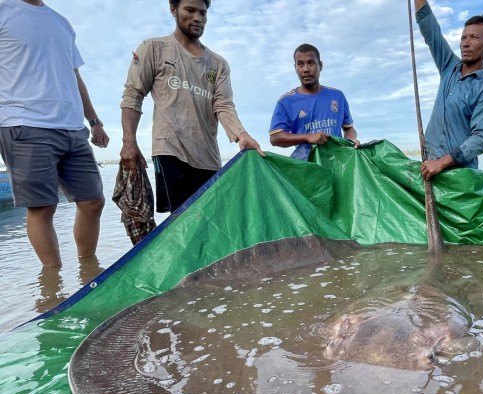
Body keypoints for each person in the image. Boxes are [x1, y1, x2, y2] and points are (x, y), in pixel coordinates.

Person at [120, 0, 264, 215]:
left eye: (202, 13)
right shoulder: (154, 48)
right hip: (170, 150)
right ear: (173, 9)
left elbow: (223, 104)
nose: (197, 17)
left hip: (208, 156)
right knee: (183, 221)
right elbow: (133, 94)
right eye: (190, 10)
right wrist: (129, 142)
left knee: (214, 220)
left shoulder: (218, 64)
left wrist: (241, 134)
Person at [0, 0, 108, 268]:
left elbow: (75, 76)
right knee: (42, 207)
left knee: (93, 201)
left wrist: (94, 121)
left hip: (72, 126)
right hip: (24, 122)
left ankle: (88, 271)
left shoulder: (61, 22)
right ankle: (54, 284)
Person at [414, 0, 483, 180]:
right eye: (463, 37)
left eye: (474, 38)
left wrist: (442, 162)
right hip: (429, 170)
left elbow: (479, 140)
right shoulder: (448, 66)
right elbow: (430, 29)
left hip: (461, 179)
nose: (466, 43)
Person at [269, 44, 359, 160]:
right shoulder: (286, 101)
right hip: (308, 167)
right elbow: (275, 138)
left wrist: (351, 138)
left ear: (320, 66)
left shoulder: (337, 96)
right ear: (295, 67)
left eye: (311, 63)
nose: (306, 69)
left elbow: (348, 128)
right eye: (300, 64)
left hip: (339, 163)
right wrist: (307, 137)